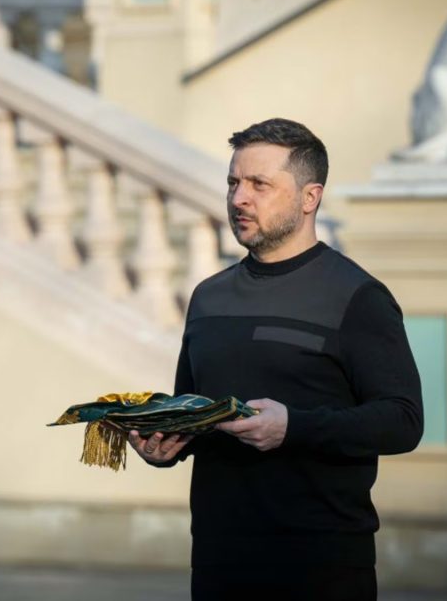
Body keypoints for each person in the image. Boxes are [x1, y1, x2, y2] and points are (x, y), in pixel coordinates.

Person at [128, 118, 423, 600]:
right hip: (218, 564)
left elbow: (403, 421)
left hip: (321, 568)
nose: (239, 198)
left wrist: (294, 427)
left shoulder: (356, 296)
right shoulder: (208, 297)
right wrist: (166, 445)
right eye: (233, 183)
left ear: (310, 198)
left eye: (259, 184)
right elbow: (196, 413)